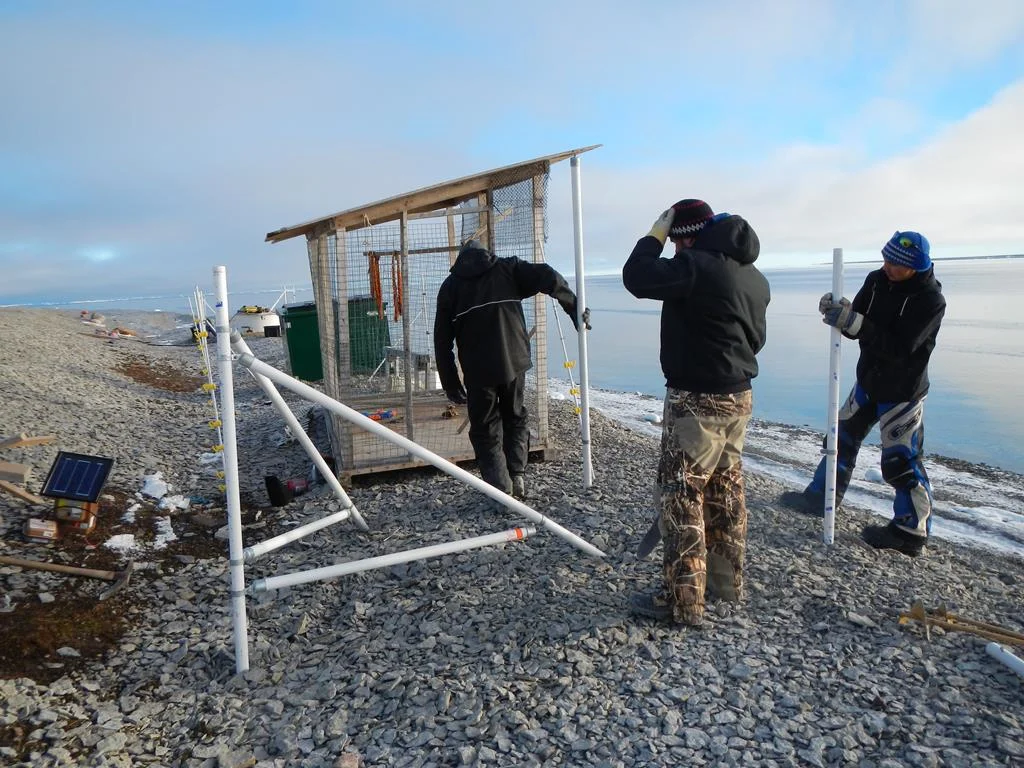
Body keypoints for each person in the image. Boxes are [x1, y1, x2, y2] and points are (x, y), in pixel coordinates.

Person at [622, 200, 770, 627]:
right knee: (726, 490)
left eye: (673, 240)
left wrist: (653, 234)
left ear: (684, 236)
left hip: (696, 401)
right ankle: (725, 585)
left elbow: (636, 277)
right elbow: (754, 341)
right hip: (739, 398)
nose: (671, 249)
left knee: (682, 496)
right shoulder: (754, 278)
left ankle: (683, 602)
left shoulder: (696, 266)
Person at [782, 231, 945, 557]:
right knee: (838, 439)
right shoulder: (876, 280)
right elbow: (856, 321)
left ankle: (910, 530)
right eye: (886, 259)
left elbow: (900, 349)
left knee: (900, 460)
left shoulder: (930, 301)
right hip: (868, 381)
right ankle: (821, 497)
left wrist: (856, 323)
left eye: (896, 264)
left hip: (903, 391)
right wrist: (839, 312)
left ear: (915, 267)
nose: (887, 267)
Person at [434, 239, 590, 499]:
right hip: (514, 360)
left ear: (461, 259)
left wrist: (451, 383)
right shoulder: (507, 268)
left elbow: (442, 341)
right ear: (486, 253)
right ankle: (517, 475)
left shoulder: (451, 287)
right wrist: (573, 308)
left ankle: (500, 488)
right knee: (515, 416)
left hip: (478, 369)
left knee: (485, 428)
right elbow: (548, 276)